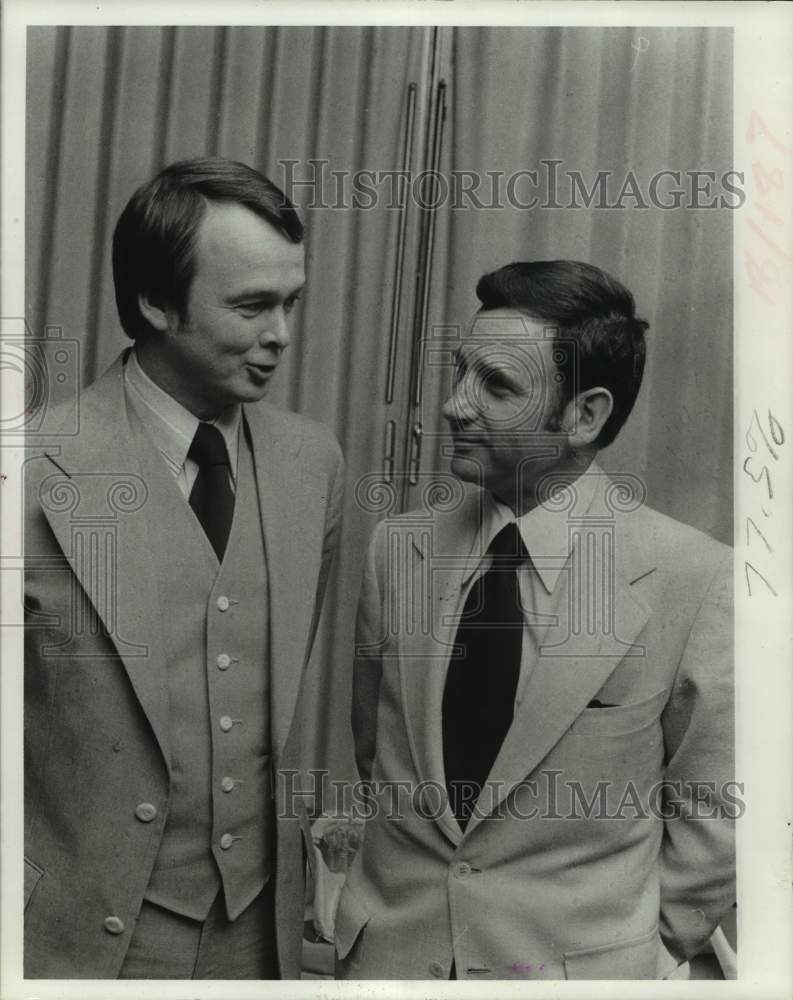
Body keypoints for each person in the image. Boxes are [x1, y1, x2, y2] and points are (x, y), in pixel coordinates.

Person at [336, 260, 734, 980]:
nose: (455, 405)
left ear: (585, 415)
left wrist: (627, 953)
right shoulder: (398, 548)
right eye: (461, 372)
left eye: (496, 386)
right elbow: (377, 753)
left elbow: (716, 816)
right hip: (390, 965)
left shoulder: (692, 578)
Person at [23, 157, 344, 979]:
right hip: (72, 941)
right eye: (250, 306)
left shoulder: (314, 467)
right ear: (155, 304)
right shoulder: (30, 468)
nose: (280, 334)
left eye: (290, 303)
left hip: (257, 935)